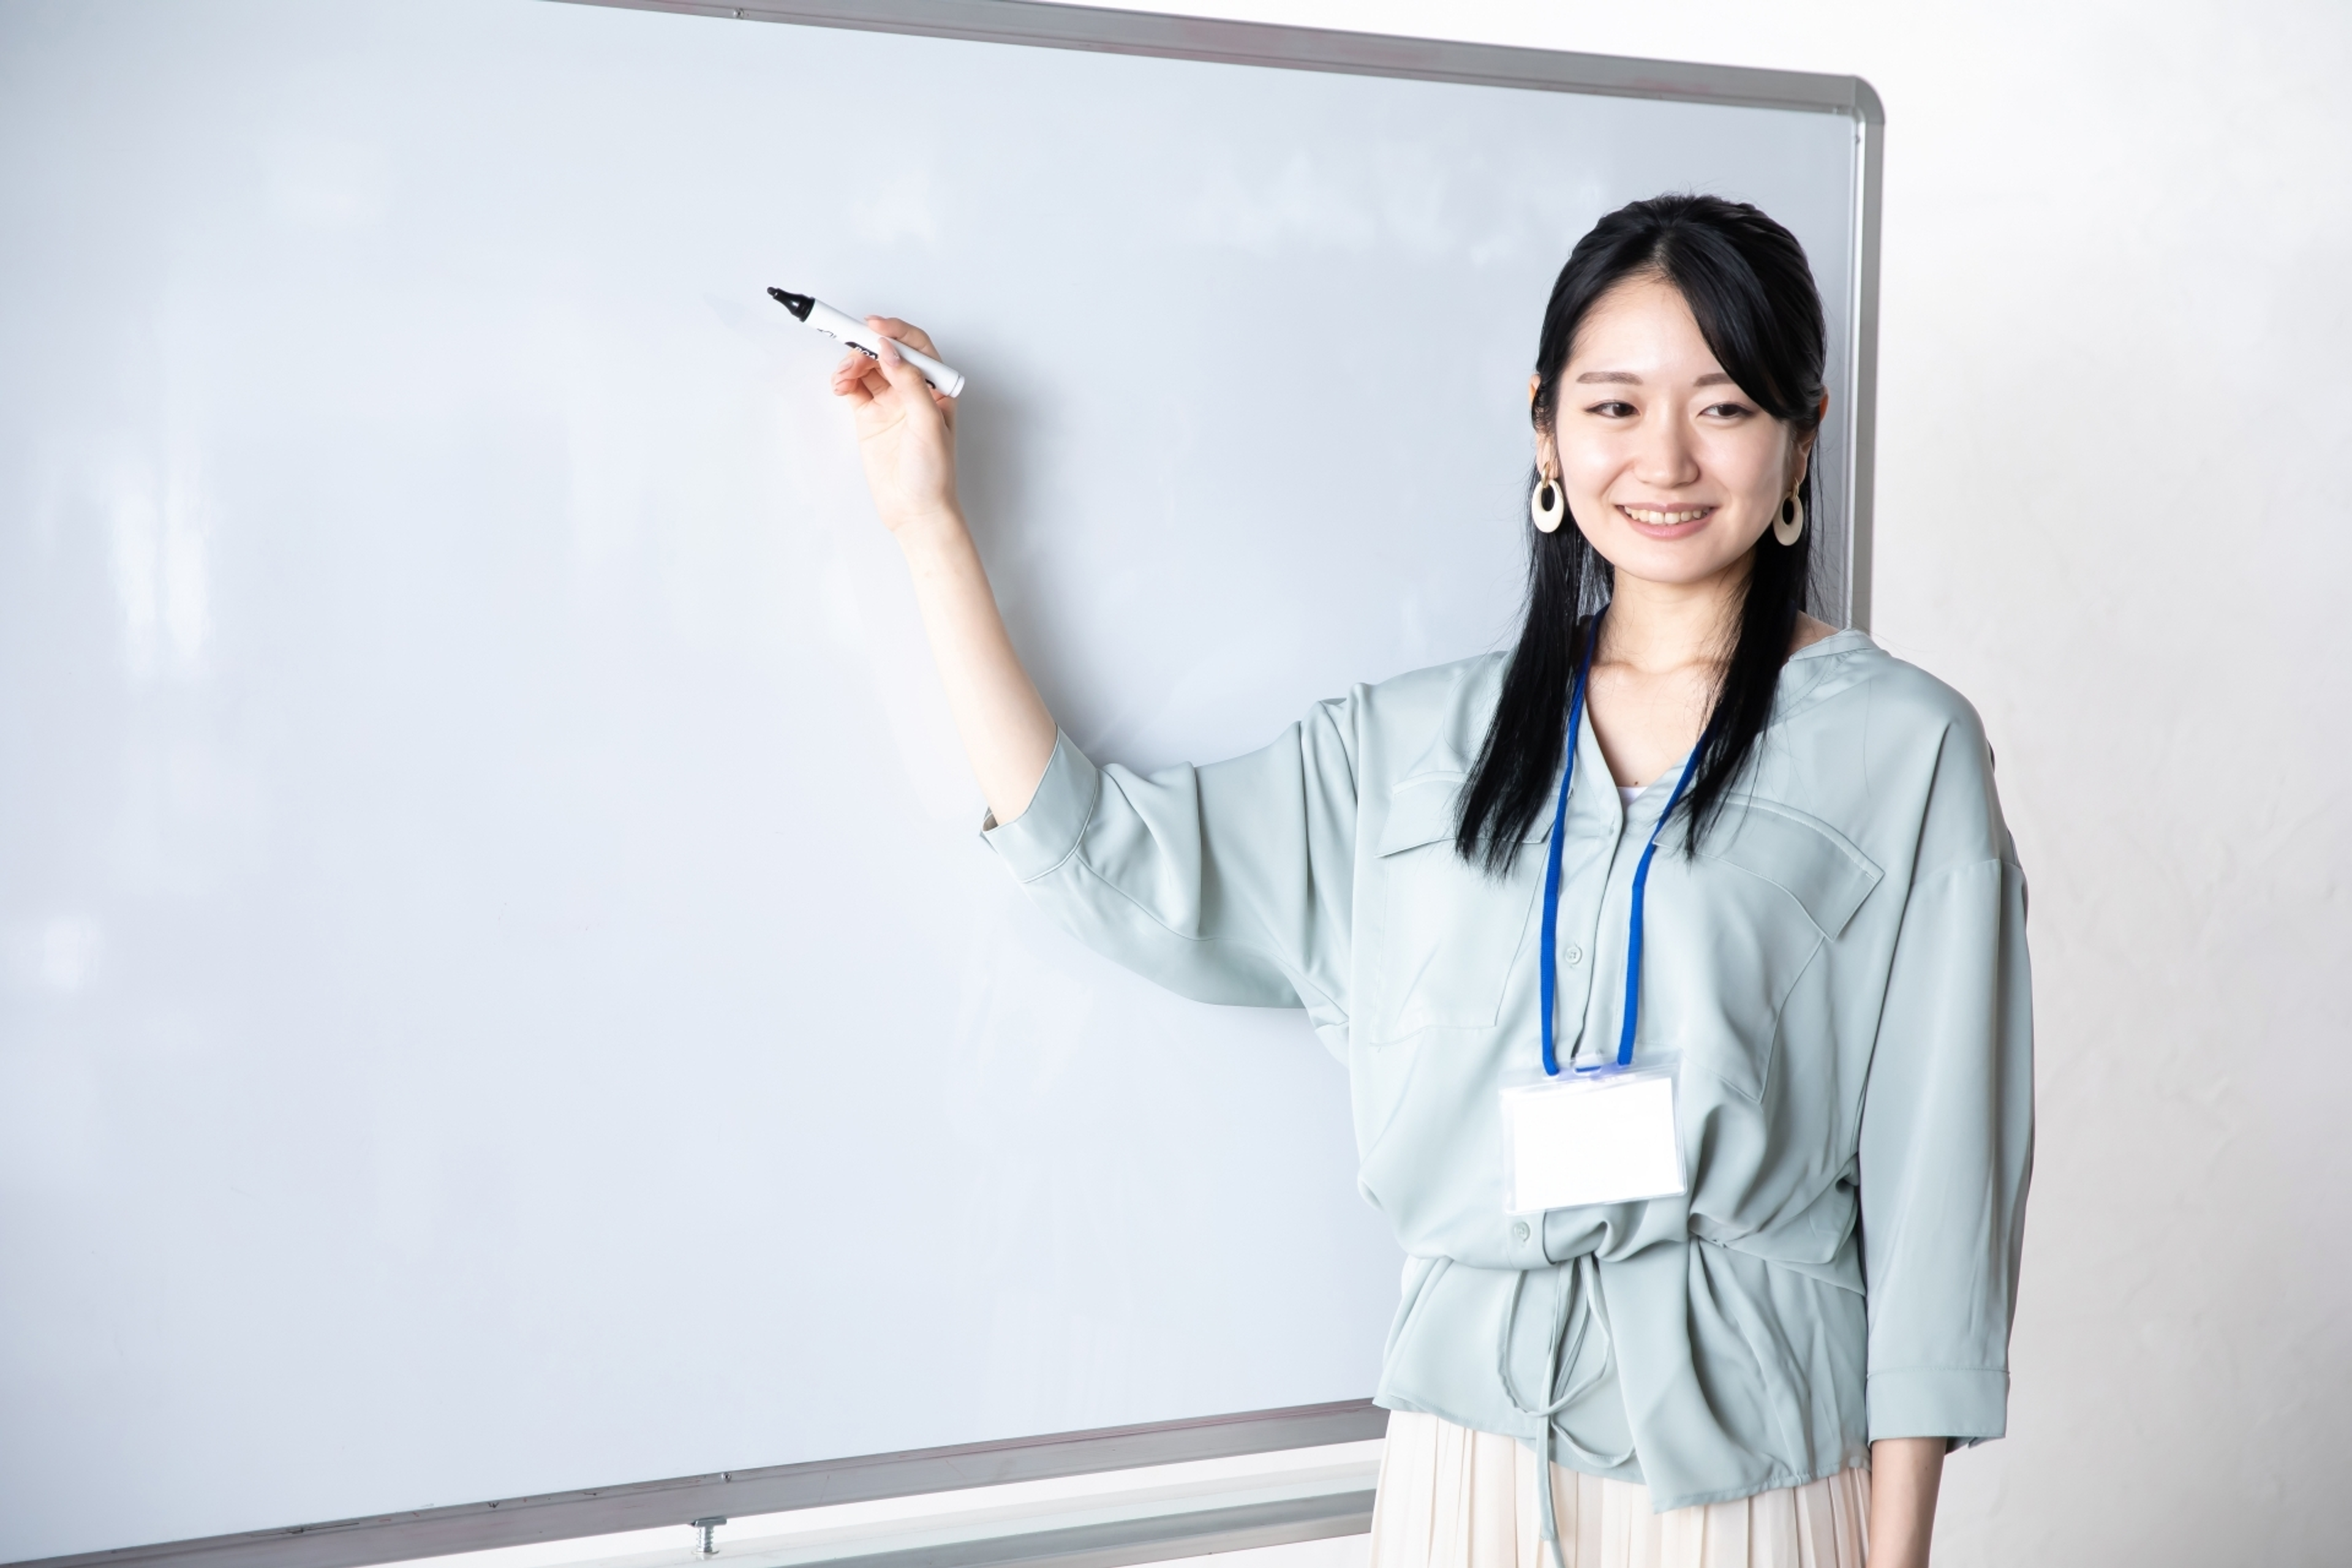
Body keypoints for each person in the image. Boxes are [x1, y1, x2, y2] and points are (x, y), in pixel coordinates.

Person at [826, 194, 2032, 1568]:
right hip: (1468, 1466)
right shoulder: (1415, 748)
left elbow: (1943, 1195)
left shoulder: (1904, 743)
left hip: (1747, 1478)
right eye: (1617, 406)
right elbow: (1106, 850)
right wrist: (924, 518)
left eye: (1727, 407)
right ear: (1545, 426)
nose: (1668, 459)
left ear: (1801, 434)